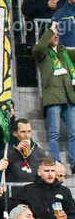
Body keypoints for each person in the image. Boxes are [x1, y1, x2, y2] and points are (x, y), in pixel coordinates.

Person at [32, 22, 75, 165]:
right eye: (53, 34)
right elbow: (38, 47)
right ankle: (56, 163)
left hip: (69, 97)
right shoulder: (42, 54)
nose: (56, 36)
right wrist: (49, 30)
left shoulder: (64, 52)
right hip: (53, 99)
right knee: (54, 134)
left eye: (57, 33)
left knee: (74, 133)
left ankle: (74, 163)